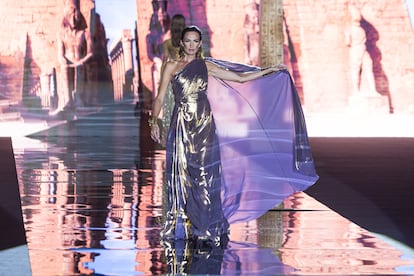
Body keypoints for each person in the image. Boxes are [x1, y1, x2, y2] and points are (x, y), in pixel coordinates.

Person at [150, 25, 318, 247]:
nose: (191, 45)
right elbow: (160, 96)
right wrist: (154, 120)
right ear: (182, 43)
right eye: (187, 41)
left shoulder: (206, 65)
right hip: (180, 123)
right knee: (181, 174)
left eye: (195, 41)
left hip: (203, 123)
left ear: (200, 44)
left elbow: (239, 78)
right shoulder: (171, 66)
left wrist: (267, 71)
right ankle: (183, 224)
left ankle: (206, 226)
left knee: (204, 174)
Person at [51, 1, 93, 115]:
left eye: (75, 17)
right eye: (70, 17)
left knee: (79, 67)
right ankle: (68, 99)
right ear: (66, 18)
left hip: (80, 62)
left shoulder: (85, 33)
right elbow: (61, 54)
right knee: (65, 68)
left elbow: (90, 53)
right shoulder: (61, 34)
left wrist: (82, 61)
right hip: (68, 62)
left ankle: (78, 98)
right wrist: (63, 61)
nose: (73, 21)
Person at [160, 14, 186, 145]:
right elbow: (165, 62)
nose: (179, 28)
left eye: (181, 25)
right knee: (171, 112)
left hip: (186, 81)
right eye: (176, 25)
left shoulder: (188, 43)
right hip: (172, 81)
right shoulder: (167, 43)